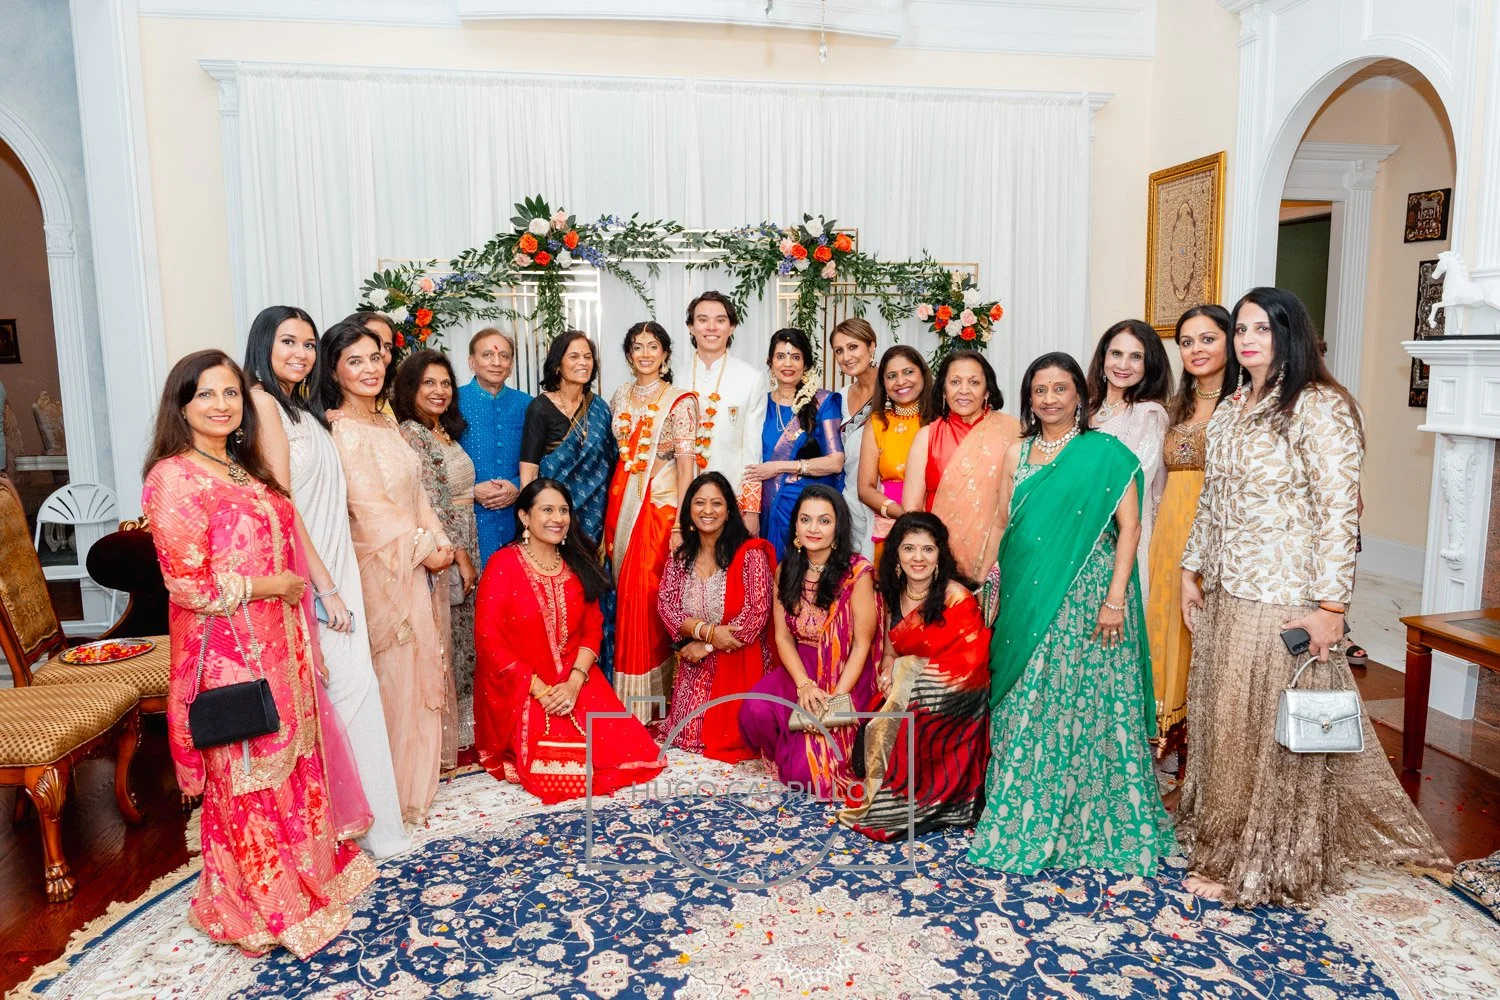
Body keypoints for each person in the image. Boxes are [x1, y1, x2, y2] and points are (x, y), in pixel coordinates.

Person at [1178, 287, 1450, 907]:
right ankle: (1223, 838)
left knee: (1272, 731)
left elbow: (1338, 514)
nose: (1247, 340)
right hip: (1228, 590)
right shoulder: (1233, 405)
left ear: (1290, 334)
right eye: (1241, 328)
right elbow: (1213, 500)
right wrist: (1191, 570)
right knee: (1228, 723)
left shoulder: (1320, 407)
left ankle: (1268, 861)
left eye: (1262, 329)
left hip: (1286, 596)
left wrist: (1331, 610)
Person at [142, 349, 376, 958]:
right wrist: (273, 587)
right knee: (246, 771)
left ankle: (307, 875)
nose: (221, 406)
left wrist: (294, 608)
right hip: (228, 652)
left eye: (230, 394)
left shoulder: (242, 468)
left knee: (292, 760)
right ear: (182, 406)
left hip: (281, 642)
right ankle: (261, 902)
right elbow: (188, 585)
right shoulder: (173, 477)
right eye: (206, 396)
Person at [968, 352, 1174, 876]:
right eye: (1040, 390)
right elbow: (999, 522)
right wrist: (985, 579)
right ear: (1028, 398)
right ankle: (1021, 812)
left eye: (1060, 388)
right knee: (1023, 699)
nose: (1050, 399)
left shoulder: (1104, 451)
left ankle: (1090, 823)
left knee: (1082, 701)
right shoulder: (1017, 453)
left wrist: (1114, 599)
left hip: (1088, 595)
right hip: (1022, 588)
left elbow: (1129, 527)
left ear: (1079, 395)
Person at [243, 306, 409, 859]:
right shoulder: (263, 403)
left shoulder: (301, 410)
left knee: (349, 693)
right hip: (316, 573)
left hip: (339, 564)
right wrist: (325, 586)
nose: (301, 353)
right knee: (345, 691)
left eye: (310, 344)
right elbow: (284, 505)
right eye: (288, 341)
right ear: (264, 344)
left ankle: (364, 827)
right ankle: (358, 833)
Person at [321, 321, 457, 825]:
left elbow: (416, 493)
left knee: (422, 657)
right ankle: (387, 795)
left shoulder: (387, 423)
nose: (369, 368)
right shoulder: (343, 428)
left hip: (412, 556)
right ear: (333, 370)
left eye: (375, 358)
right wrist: (423, 548)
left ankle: (412, 787)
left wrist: (440, 539)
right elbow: (368, 507)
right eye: (354, 360)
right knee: (394, 667)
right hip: (378, 564)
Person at [472, 478, 666, 803]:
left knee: (635, 756)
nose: (558, 518)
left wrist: (576, 681)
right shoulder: (503, 565)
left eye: (563, 510)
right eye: (547, 510)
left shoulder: (577, 565)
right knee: (557, 775)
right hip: (522, 686)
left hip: (577, 678)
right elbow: (488, 638)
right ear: (524, 517)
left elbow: (593, 628)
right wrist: (539, 689)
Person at [839, 512, 991, 842]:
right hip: (911, 683)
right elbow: (891, 651)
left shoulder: (956, 598)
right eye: (909, 549)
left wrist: (910, 677)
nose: (918, 558)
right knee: (884, 708)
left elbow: (971, 661)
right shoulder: (892, 594)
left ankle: (930, 803)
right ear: (896, 554)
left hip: (958, 691)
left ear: (940, 555)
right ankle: (894, 793)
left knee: (909, 706)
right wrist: (887, 670)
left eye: (927, 549)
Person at [739, 486, 882, 801]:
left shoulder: (857, 573)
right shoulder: (786, 570)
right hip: (800, 670)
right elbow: (782, 637)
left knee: (808, 777)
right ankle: (789, 745)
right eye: (806, 520)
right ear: (795, 527)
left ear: (837, 528)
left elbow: (862, 644)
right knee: (754, 710)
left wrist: (833, 701)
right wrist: (804, 686)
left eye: (824, 521)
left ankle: (799, 750)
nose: (814, 529)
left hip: (846, 674)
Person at [605, 321, 698, 720]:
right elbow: (619, 454)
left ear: (665, 354)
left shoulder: (679, 401)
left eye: (653, 346)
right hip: (620, 503)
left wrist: (682, 523)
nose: (645, 353)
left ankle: (653, 700)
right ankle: (625, 695)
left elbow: (687, 463)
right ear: (628, 355)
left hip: (658, 508)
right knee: (620, 594)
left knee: (647, 594)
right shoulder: (620, 395)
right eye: (637, 346)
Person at [1144, 305, 1228, 743]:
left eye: (1208, 338)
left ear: (1230, 341)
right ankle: (1170, 736)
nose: (1196, 349)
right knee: (1167, 627)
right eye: (1188, 341)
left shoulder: (1244, 402)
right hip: (1170, 530)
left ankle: (1207, 746)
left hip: (1219, 533)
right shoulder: (1177, 405)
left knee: (1207, 636)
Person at [393, 350, 481, 748]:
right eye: (429, 382)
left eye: (445, 383)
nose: (439, 390)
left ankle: (464, 727)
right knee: (448, 636)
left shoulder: (441, 429)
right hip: (442, 548)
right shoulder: (412, 432)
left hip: (464, 535)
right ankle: (447, 734)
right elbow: (432, 497)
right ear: (410, 387)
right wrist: (459, 553)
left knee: (463, 635)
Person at [657, 472, 776, 761]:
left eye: (716, 503)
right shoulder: (680, 557)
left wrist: (707, 645)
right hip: (695, 665)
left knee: (727, 740)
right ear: (689, 509)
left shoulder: (750, 554)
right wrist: (706, 633)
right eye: (699, 503)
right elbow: (666, 605)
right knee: (684, 737)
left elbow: (756, 615)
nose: (707, 511)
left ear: (728, 510)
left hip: (739, 662)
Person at [901, 349, 1020, 587]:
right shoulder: (927, 437)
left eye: (974, 382)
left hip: (1002, 560)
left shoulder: (1012, 431)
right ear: (943, 390)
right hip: (941, 561)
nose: (964, 390)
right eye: (955, 382)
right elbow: (912, 511)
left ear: (987, 390)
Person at [1088, 319, 1171, 604]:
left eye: (1136, 357)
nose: (1124, 364)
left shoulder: (1147, 414)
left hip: (1121, 536)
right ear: (1103, 359)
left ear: (1150, 365)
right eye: (1116, 354)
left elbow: (1137, 480)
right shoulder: (1084, 409)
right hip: (1079, 532)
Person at [745, 328, 846, 560]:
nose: (787, 363)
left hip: (808, 509)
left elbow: (835, 462)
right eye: (780, 356)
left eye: (795, 356)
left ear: (806, 363)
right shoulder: (760, 404)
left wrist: (780, 467)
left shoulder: (823, 402)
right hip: (768, 506)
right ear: (769, 362)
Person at [675, 291, 768, 532]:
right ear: (691, 327)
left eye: (720, 320)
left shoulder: (751, 378)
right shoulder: (674, 378)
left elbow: (752, 451)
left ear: (732, 327)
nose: (711, 327)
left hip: (730, 500)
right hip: (679, 501)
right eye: (703, 320)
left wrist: (750, 509)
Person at [519, 330, 616, 548]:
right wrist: (532, 520)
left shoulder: (599, 407)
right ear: (557, 365)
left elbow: (611, 464)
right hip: (554, 514)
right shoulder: (540, 408)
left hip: (596, 515)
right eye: (574, 356)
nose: (583, 362)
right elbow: (529, 473)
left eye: (588, 357)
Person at [458, 328, 530, 567]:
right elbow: (435, 463)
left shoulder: (528, 405)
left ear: (511, 364)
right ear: (471, 362)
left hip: (518, 521)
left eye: (504, 356)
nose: (496, 362)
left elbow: (546, 458)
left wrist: (519, 486)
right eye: (487, 355)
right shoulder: (451, 402)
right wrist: (470, 490)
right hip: (470, 522)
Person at [857, 346, 932, 565]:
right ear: (884, 384)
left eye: (908, 372)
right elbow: (865, 488)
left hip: (935, 523)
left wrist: (922, 519)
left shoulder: (940, 421)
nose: (900, 381)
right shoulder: (877, 424)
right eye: (892, 376)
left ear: (922, 375)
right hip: (891, 527)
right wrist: (902, 514)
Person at [830, 318, 879, 558]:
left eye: (853, 347)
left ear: (871, 346)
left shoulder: (895, 388)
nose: (846, 356)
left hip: (883, 500)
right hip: (848, 500)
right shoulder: (839, 398)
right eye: (839, 350)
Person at [344, 310, 399, 412]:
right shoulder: (331, 416)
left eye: (387, 347)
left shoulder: (382, 399)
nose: (382, 352)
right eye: (375, 342)